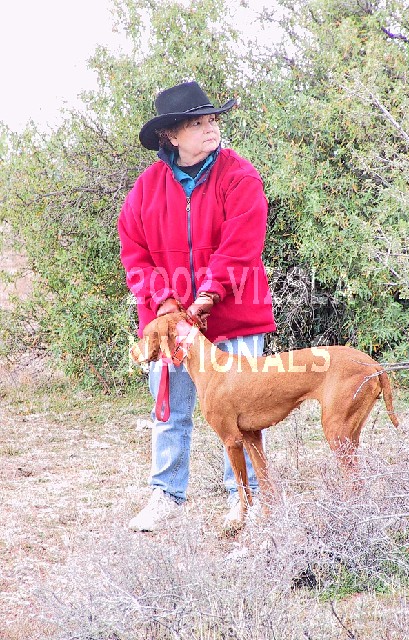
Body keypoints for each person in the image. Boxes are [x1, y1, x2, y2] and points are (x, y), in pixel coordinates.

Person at [118, 80, 276, 531]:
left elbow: (241, 245)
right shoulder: (146, 188)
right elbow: (134, 253)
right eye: (198, 123)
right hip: (168, 323)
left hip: (233, 315)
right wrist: (165, 303)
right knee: (170, 408)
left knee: (243, 410)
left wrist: (207, 295)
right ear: (170, 135)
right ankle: (166, 495)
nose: (211, 129)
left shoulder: (239, 176)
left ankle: (245, 497)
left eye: (212, 120)